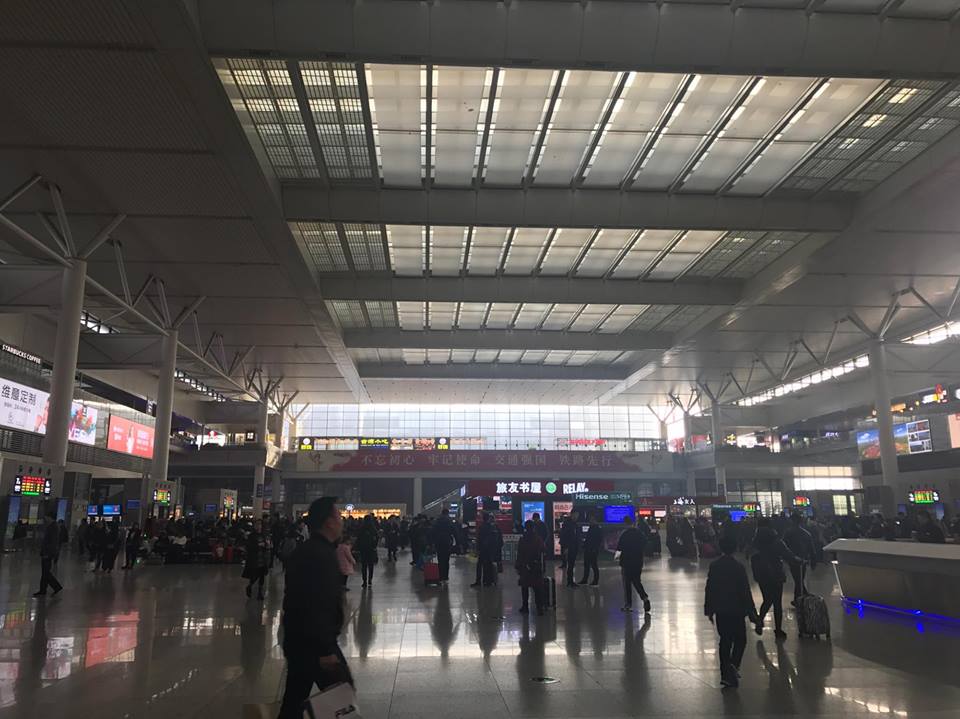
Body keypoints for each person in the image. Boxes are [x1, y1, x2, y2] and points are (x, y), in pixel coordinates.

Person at [277, 497, 353, 719]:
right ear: (328, 522)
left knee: (295, 699)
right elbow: (313, 604)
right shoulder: (319, 555)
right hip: (314, 645)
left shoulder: (313, 550)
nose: (342, 521)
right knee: (342, 697)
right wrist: (325, 649)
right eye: (338, 516)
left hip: (301, 641)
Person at [704, 535, 762, 689]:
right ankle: (734, 665)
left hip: (721, 610)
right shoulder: (738, 567)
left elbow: (710, 588)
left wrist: (709, 609)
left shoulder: (715, 566)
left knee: (725, 640)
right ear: (735, 548)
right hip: (737, 609)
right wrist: (752, 612)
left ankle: (725, 674)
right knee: (740, 639)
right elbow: (745, 591)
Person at [750, 519, 798, 640]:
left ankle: (760, 619)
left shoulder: (755, 541)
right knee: (777, 602)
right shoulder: (776, 541)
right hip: (776, 574)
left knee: (767, 599)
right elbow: (788, 555)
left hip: (761, 575)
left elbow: (748, 554)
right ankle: (778, 630)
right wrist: (798, 560)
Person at [616, 515, 650, 613]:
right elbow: (645, 542)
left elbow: (619, 548)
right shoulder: (639, 533)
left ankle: (628, 605)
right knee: (636, 581)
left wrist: (617, 557)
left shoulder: (624, 534)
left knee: (627, 583)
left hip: (627, 562)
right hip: (638, 561)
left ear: (625, 524)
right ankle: (645, 598)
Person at [515, 520, 546, 615]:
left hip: (525, 566)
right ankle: (539, 608)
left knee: (525, 587)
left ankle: (525, 607)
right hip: (536, 566)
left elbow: (519, 554)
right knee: (537, 588)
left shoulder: (522, 539)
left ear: (525, 528)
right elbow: (543, 552)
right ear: (534, 528)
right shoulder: (538, 539)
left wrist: (518, 566)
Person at [783, 513, 814, 605]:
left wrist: (785, 557)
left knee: (798, 579)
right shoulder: (806, 533)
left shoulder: (788, 533)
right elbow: (811, 548)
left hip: (793, 559)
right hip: (803, 559)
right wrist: (813, 559)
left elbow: (784, 546)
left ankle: (799, 599)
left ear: (791, 521)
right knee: (799, 578)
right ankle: (803, 596)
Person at [34, 512, 63, 598]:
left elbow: (53, 542)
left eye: (46, 517)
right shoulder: (52, 526)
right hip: (47, 552)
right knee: (45, 572)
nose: (45, 518)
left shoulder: (53, 527)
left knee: (46, 572)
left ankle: (55, 587)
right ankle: (43, 590)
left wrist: (48, 553)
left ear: (50, 517)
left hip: (48, 552)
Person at [243, 519, 271, 599]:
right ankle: (250, 586)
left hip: (262, 559)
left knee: (261, 576)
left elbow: (266, 545)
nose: (258, 526)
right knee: (254, 576)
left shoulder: (263, 535)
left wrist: (266, 545)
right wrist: (258, 545)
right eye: (257, 524)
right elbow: (249, 547)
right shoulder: (251, 536)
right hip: (254, 559)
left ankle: (260, 592)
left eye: (260, 524)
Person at [431, 508, 458, 583]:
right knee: (446, 560)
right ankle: (445, 577)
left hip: (439, 542)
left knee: (440, 560)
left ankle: (440, 577)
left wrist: (432, 542)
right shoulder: (449, 521)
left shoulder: (437, 521)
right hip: (447, 542)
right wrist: (458, 543)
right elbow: (455, 531)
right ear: (447, 513)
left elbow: (432, 532)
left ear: (442, 513)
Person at [355, 514, 380, 589]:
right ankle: (370, 580)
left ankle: (364, 581)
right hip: (371, 549)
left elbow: (358, 538)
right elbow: (377, 537)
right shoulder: (373, 528)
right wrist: (374, 546)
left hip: (363, 549)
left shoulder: (362, 528)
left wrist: (358, 547)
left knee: (364, 566)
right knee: (371, 565)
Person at [578, 513, 603, 586]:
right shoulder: (593, 528)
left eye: (592, 519)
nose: (590, 521)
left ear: (595, 520)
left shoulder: (596, 529)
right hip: (589, 549)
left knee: (593, 565)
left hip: (593, 549)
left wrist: (595, 548)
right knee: (587, 565)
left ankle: (595, 580)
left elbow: (598, 540)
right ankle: (585, 579)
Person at [559, 513, 580, 588]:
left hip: (574, 547)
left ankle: (570, 581)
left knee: (572, 564)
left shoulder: (575, 524)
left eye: (577, 516)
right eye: (575, 515)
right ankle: (570, 581)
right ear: (572, 515)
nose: (576, 517)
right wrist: (565, 547)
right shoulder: (567, 524)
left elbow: (576, 536)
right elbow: (564, 536)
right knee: (570, 564)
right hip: (570, 547)